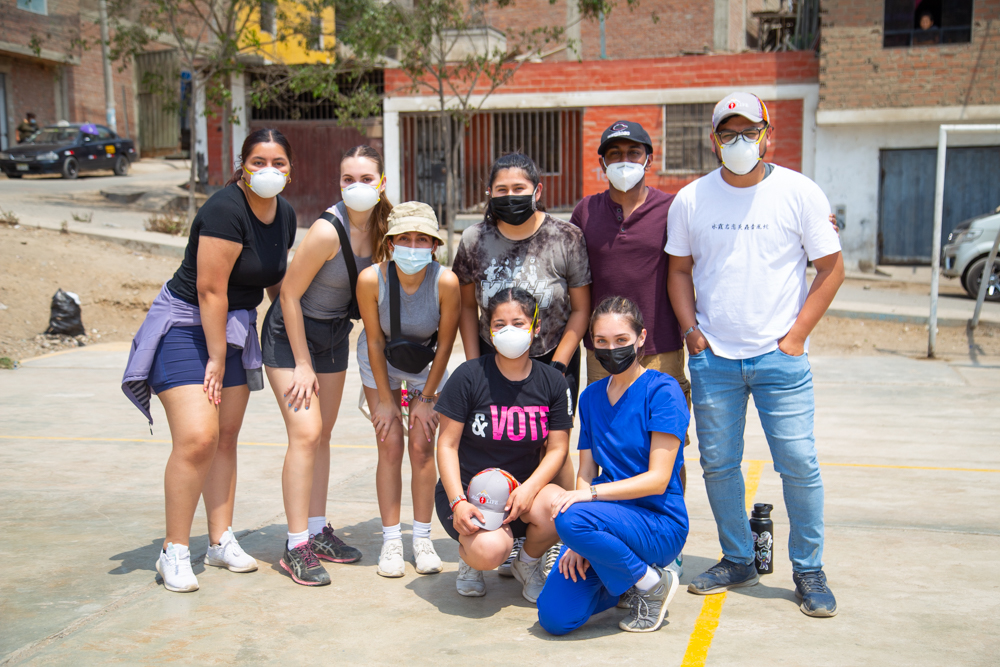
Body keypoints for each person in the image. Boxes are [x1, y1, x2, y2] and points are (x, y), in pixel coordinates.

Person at [666, 92, 845, 617]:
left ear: (768, 134)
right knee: (719, 465)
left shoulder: (799, 192)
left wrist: (796, 338)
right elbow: (679, 270)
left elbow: (831, 268)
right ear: (714, 140)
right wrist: (691, 333)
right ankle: (739, 559)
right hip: (714, 358)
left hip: (779, 359)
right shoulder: (692, 199)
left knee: (799, 464)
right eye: (729, 133)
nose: (739, 142)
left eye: (749, 131)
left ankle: (808, 570)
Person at [122, 128, 297, 592]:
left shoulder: (285, 213)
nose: (269, 170)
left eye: (278, 162)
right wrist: (216, 358)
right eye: (258, 162)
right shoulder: (225, 209)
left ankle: (219, 540)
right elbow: (210, 290)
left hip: (234, 328)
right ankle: (174, 550)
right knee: (198, 438)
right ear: (242, 165)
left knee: (225, 437)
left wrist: (292, 337)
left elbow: (275, 282)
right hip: (186, 327)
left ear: (290, 170)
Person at [453, 152, 591, 575]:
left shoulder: (565, 237)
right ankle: (479, 534)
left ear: (537, 190)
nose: (510, 196)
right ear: (489, 193)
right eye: (502, 189)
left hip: (552, 360)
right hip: (491, 360)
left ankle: (549, 541)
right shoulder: (474, 239)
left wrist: (558, 367)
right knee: (488, 443)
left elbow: (580, 309)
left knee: (554, 450)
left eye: (519, 188)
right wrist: (475, 365)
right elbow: (465, 308)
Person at [260, 145, 388, 585]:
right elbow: (288, 295)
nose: (356, 186)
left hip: (334, 334)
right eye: (348, 179)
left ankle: (316, 530)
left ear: (382, 183)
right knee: (306, 433)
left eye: (366, 179)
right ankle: (295, 545)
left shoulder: (384, 226)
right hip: (291, 334)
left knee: (324, 435)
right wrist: (301, 363)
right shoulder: (326, 231)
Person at [569, 119, 691, 577]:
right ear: (601, 163)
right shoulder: (586, 211)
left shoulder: (671, 209)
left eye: (633, 154)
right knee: (607, 446)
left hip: (660, 346)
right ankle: (610, 532)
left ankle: (667, 543)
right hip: (604, 350)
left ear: (649, 159)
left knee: (668, 450)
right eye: (614, 155)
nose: (624, 162)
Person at [536, 296, 689, 635]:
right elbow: (586, 472)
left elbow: (658, 479)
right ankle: (628, 579)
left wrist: (585, 506)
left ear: (641, 338)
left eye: (621, 340)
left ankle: (652, 583)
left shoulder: (663, 391)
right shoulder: (590, 397)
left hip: (658, 524)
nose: (611, 349)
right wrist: (577, 543)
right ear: (592, 343)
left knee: (569, 514)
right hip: (604, 524)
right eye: (601, 341)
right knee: (555, 618)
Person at [435, 287, 571, 601]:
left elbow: (558, 449)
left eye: (518, 323)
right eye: (499, 324)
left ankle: (528, 562)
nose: (509, 330)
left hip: (523, 495)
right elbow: (446, 445)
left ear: (535, 327)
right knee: (489, 550)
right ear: (489, 331)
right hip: (471, 496)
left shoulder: (552, 381)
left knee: (562, 510)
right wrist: (458, 501)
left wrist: (530, 488)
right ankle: (471, 558)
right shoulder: (469, 376)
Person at [356, 201, 460, 578]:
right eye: (405, 238)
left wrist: (427, 399)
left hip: (427, 364)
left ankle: (422, 538)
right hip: (382, 359)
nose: (413, 247)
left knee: (421, 447)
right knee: (389, 444)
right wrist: (386, 401)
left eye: (422, 239)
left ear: (434, 245)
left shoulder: (445, 282)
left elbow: (446, 344)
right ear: (390, 243)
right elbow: (372, 341)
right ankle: (391, 540)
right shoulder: (372, 279)